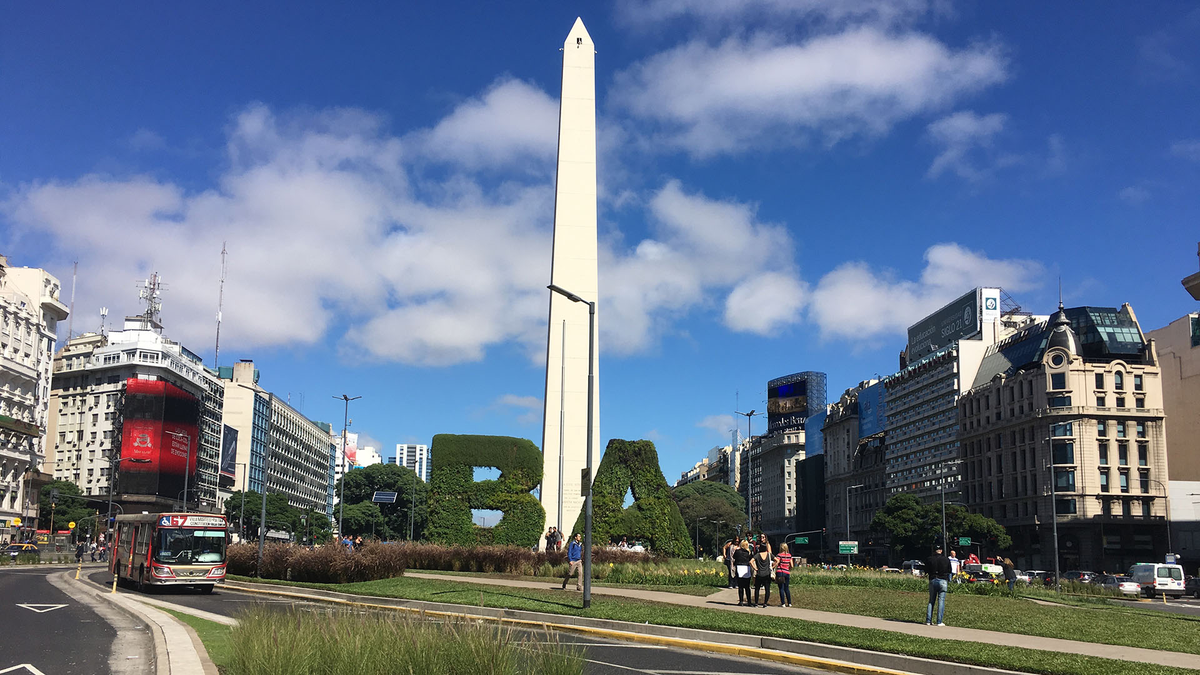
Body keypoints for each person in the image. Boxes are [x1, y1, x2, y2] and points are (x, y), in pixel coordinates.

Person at [925, 545, 952, 626]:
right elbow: (949, 570)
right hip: (943, 580)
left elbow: (926, 570)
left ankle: (928, 620)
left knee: (931, 601)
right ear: (941, 550)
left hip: (933, 579)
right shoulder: (946, 559)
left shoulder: (929, 559)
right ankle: (939, 621)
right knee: (941, 601)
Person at [751, 543, 774, 607]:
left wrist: (755, 568)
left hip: (759, 574)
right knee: (767, 589)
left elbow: (751, 561)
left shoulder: (757, 555)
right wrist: (772, 567)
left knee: (757, 589)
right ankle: (765, 603)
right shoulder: (769, 554)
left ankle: (756, 603)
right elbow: (777, 560)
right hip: (767, 574)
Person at [733, 540, 753, 606]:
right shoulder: (748, 552)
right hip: (746, 568)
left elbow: (734, 557)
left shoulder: (737, 551)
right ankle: (749, 601)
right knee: (747, 586)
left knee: (740, 586)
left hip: (739, 568)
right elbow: (751, 559)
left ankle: (741, 601)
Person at [775, 543, 793, 607]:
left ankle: (783, 603)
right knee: (787, 588)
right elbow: (792, 565)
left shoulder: (779, 555)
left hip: (780, 572)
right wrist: (788, 569)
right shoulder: (789, 555)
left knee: (781, 588)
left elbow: (777, 562)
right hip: (787, 572)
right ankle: (789, 602)